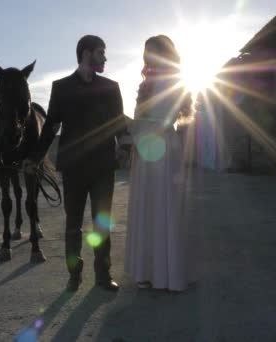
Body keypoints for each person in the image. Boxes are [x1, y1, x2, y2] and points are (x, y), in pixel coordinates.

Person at [30, 35, 128, 292]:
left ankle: (103, 275)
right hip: (73, 168)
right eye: (101, 52)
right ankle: (74, 275)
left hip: (103, 167)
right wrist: (36, 157)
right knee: (73, 225)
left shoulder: (111, 87)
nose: (105, 57)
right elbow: (51, 125)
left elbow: (119, 124)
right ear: (86, 53)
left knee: (102, 223)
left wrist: (127, 149)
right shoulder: (61, 87)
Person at [124, 35, 194, 292]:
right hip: (146, 150)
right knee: (149, 208)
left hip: (161, 148)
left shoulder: (176, 82)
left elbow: (167, 118)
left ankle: (168, 274)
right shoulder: (145, 85)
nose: (148, 58)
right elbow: (138, 117)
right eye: (146, 53)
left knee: (166, 207)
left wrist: (139, 129)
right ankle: (148, 272)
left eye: (152, 52)